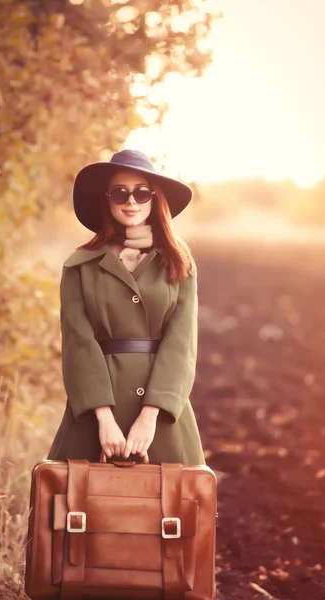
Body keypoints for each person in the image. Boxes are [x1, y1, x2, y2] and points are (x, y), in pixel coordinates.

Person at [46, 149, 205, 465]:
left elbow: (181, 344)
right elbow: (78, 343)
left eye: (141, 192)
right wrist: (103, 420)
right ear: (106, 200)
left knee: (174, 506)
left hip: (163, 416)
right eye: (120, 193)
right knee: (77, 506)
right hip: (95, 414)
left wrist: (150, 417)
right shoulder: (79, 266)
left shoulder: (179, 263)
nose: (131, 201)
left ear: (154, 198)